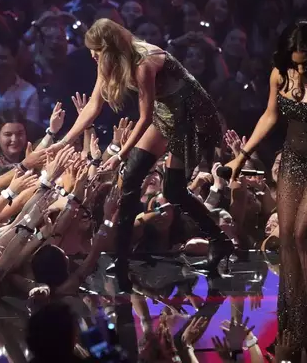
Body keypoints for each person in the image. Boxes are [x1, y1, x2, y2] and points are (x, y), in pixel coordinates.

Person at [54, 18, 232, 292]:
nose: (92, 56)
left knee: (172, 189)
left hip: (191, 116)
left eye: (97, 51)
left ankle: (219, 241)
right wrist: (64, 141)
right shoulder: (111, 62)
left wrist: (120, 154)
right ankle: (123, 263)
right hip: (167, 113)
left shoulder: (144, 62)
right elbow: (93, 105)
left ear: (110, 49)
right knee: (133, 180)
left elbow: (145, 116)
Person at [226, 21, 307, 361]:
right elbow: (269, 116)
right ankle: (292, 327)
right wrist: (242, 154)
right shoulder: (280, 75)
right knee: (286, 237)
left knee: (302, 234)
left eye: (306, 62)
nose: (300, 68)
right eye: (295, 60)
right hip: (293, 158)